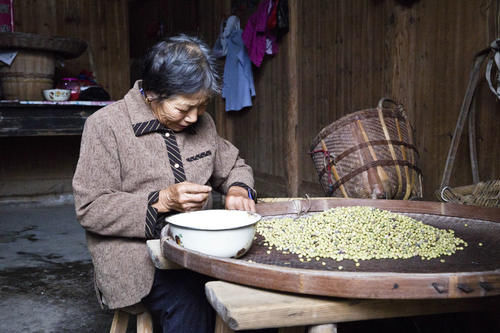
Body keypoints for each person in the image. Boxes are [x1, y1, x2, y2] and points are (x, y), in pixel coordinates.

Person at [72, 34, 256, 333]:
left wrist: (238, 189)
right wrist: (162, 201)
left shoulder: (202, 123)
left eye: (201, 106)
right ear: (153, 93)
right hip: (137, 261)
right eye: (183, 109)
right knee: (192, 301)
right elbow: (90, 208)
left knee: (255, 297)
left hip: (201, 253)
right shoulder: (106, 126)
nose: (194, 117)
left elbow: (234, 165)